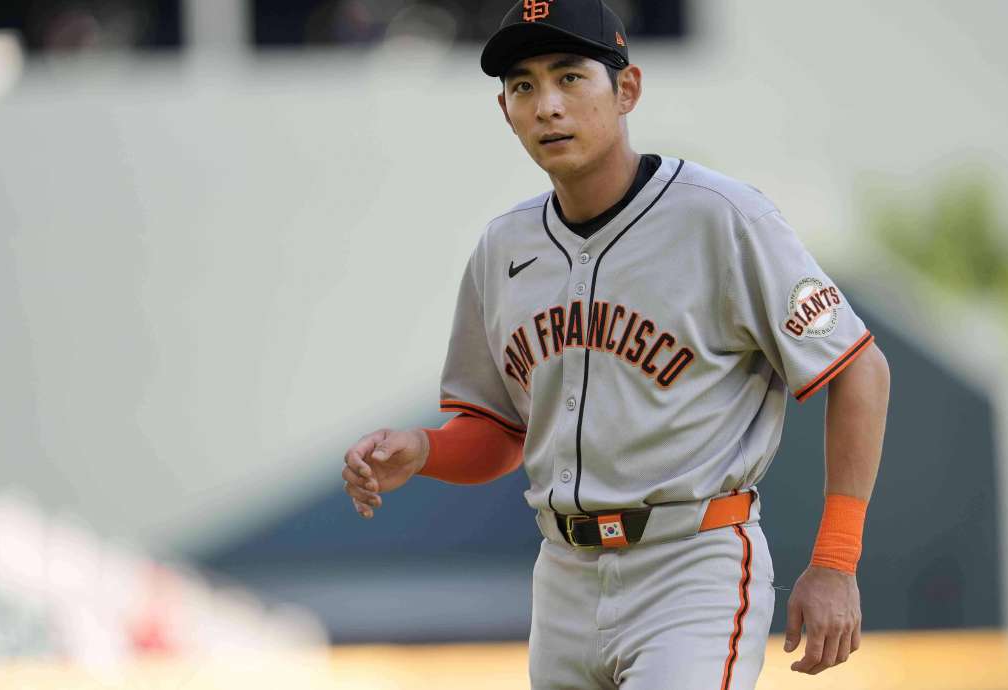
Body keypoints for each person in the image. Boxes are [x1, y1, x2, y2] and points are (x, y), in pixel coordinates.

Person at [341, 1, 891, 687]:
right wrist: (423, 450)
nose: (547, 106)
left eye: (571, 77)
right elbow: (498, 431)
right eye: (523, 86)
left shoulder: (720, 218)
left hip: (691, 563)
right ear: (504, 110)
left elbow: (859, 369)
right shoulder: (503, 248)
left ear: (625, 89)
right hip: (562, 575)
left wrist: (837, 560)